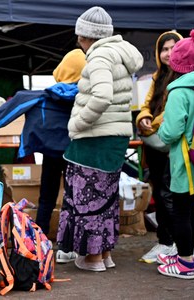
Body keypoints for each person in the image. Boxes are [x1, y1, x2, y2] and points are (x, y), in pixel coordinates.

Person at [59, 6, 143, 272]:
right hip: (115, 138)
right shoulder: (119, 54)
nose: (79, 43)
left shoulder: (98, 57)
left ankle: (92, 259)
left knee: (86, 199)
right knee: (105, 198)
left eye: (80, 37)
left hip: (93, 140)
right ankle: (104, 254)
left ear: (86, 36)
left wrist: (77, 123)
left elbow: (102, 95)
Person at [0, 49, 86, 264]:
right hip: (76, 152)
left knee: (47, 197)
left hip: (50, 152)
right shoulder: (86, 98)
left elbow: (15, 104)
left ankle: (40, 241)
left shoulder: (44, 95)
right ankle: (67, 246)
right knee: (74, 197)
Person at [156, 28, 194, 280]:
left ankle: (185, 263)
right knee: (188, 210)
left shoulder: (180, 91)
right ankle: (185, 253)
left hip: (185, 160)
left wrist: (159, 132)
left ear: (179, 63)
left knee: (180, 212)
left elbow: (169, 133)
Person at [136, 31, 185, 263]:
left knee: (169, 194)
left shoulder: (184, 77)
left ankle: (179, 245)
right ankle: (164, 242)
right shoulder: (158, 76)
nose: (168, 53)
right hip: (155, 145)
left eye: (173, 47)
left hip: (173, 144)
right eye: (164, 49)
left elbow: (174, 114)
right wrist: (143, 118)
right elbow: (147, 105)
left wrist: (149, 126)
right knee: (159, 191)